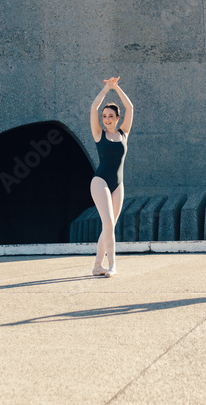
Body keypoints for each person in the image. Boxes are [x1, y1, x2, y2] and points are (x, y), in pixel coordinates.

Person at [89, 76, 133, 278]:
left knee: (111, 224)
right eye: (104, 116)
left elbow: (130, 107)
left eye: (110, 116)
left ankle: (97, 265)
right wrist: (107, 88)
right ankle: (112, 265)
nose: (106, 119)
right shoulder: (99, 134)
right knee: (107, 221)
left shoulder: (124, 133)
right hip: (100, 182)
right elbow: (93, 108)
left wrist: (117, 87)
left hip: (118, 184)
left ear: (117, 117)